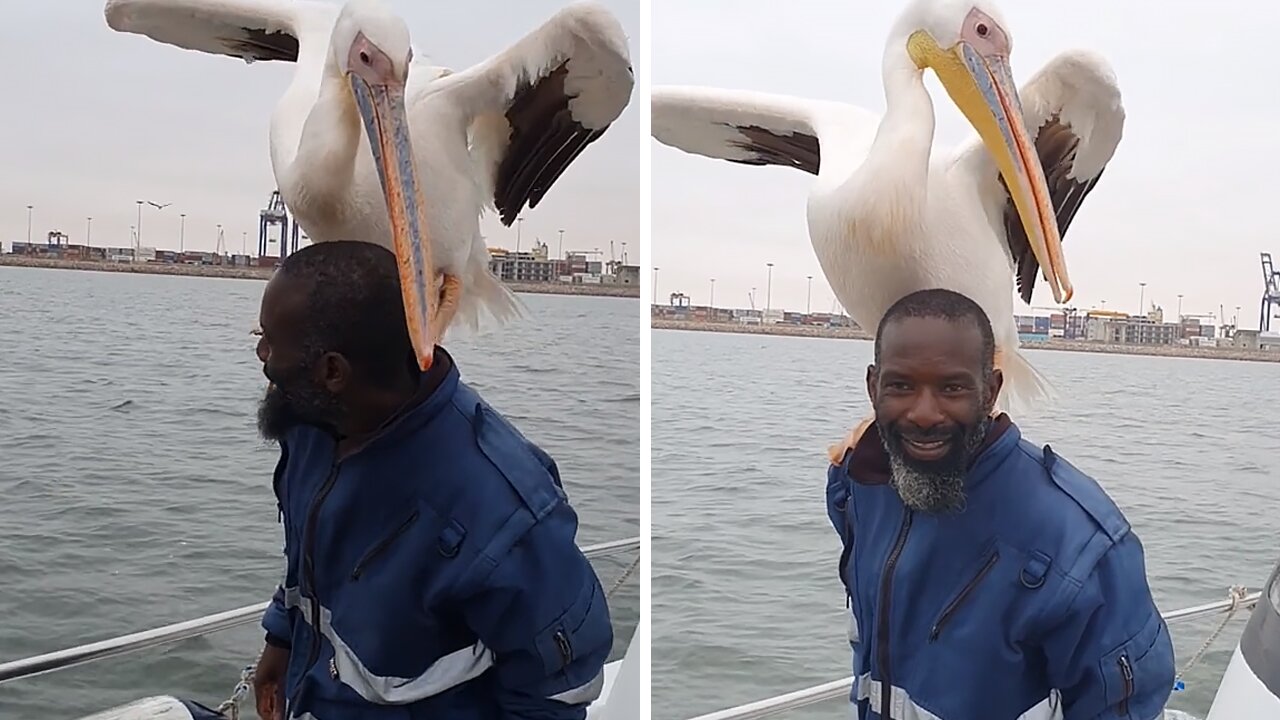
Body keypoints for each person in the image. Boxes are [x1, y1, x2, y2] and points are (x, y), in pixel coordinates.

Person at [250, 241, 613, 720]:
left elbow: (559, 689)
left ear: (332, 371)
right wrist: (280, 640)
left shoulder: (504, 508)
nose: (261, 355)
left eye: (270, 343)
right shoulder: (309, 428)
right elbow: (307, 556)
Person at [825, 288, 1175, 720]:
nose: (924, 413)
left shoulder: (1080, 544)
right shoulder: (856, 486)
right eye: (901, 386)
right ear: (873, 386)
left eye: (952, 388)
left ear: (990, 390)